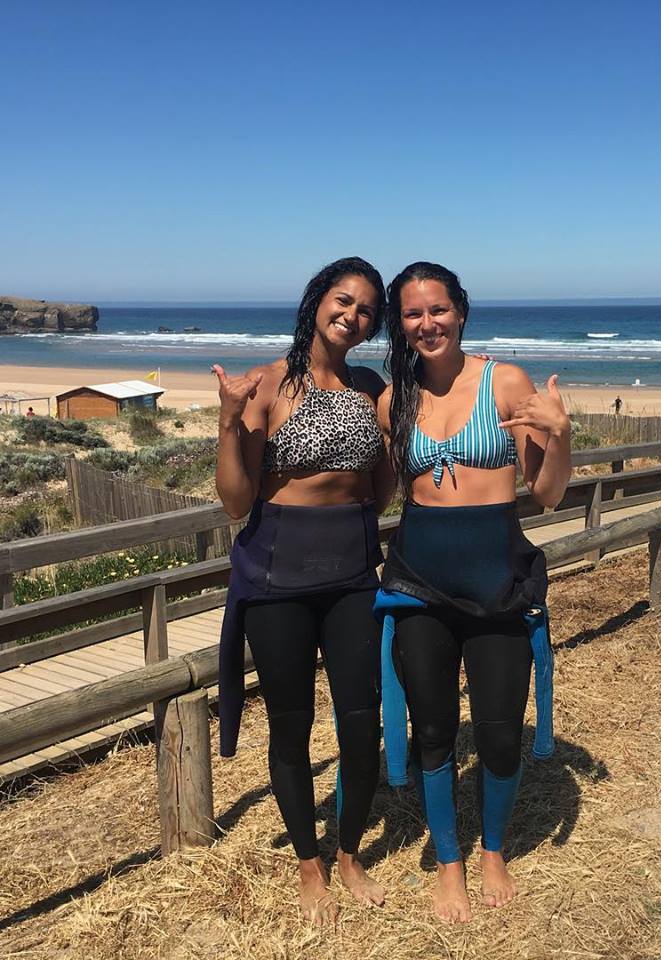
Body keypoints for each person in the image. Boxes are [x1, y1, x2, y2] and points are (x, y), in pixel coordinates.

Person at [375, 262, 571, 923]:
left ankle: (493, 851)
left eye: (438, 310)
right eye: (411, 313)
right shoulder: (393, 400)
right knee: (433, 730)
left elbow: (545, 492)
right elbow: (374, 489)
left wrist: (561, 436)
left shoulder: (503, 381)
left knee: (497, 732)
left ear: (460, 312)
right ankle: (451, 863)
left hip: (498, 583)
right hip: (419, 585)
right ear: (400, 325)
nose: (426, 323)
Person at [214, 257, 391, 926]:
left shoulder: (371, 386)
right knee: (291, 727)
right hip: (277, 575)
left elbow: (381, 486)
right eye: (343, 299)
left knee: (362, 721)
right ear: (317, 301)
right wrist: (229, 423)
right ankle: (309, 865)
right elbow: (235, 501)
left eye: (368, 308)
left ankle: (348, 853)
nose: (354, 314)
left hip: (351, 572)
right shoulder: (265, 386)